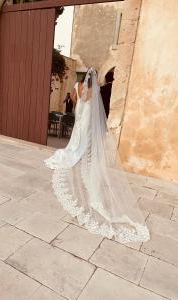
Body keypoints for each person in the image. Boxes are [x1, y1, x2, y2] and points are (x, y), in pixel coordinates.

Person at [44, 68, 150, 244]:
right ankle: (82, 152)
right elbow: (96, 107)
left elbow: (75, 100)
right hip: (87, 117)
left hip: (79, 114)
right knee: (85, 137)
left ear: (84, 77)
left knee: (76, 137)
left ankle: (75, 152)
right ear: (94, 78)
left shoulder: (77, 85)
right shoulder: (97, 90)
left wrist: (80, 102)